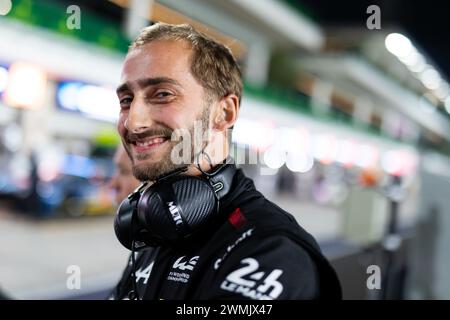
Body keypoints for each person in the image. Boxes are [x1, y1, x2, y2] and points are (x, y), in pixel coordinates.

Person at [110, 22, 341, 300]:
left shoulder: (271, 252)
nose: (133, 121)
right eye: (126, 100)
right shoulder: (153, 229)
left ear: (225, 113)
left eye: (162, 94)